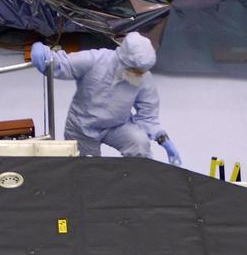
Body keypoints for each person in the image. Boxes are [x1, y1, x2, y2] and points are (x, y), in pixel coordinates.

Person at [29, 32, 181, 164]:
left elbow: (148, 115)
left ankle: (135, 186)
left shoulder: (142, 76)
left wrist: (163, 139)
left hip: (118, 126)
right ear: (124, 60)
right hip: (83, 128)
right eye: (136, 70)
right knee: (86, 169)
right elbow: (61, 64)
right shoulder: (95, 60)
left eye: (143, 71)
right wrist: (40, 50)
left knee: (140, 144)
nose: (140, 74)